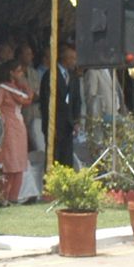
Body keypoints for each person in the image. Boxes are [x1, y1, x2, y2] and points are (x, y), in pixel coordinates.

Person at [0, 59, 36, 205]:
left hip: (19, 127)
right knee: (9, 161)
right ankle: (2, 196)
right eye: (18, 71)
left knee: (19, 162)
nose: (21, 74)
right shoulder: (2, 88)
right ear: (11, 72)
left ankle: (13, 197)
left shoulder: (17, 88)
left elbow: (29, 98)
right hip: (8, 127)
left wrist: (23, 84)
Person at [39, 42, 81, 171]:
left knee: (67, 159)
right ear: (64, 58)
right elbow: (46, 103)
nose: (74, 61)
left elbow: (76, 99)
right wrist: (51, 126)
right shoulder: (50, 75)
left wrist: (76, 121)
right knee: (54, 159)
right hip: (55, 124)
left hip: (68, 125)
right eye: (72, 58)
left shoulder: (73, 76)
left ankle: (66, 181)